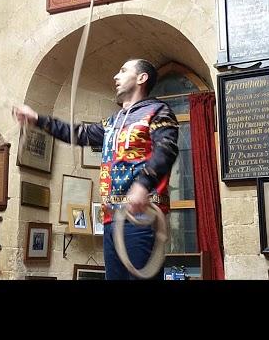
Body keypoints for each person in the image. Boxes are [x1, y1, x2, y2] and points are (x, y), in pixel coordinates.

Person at [13, 58, 179, 280]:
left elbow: (166, 150)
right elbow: (79, 134)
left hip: (142, 217)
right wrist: (37, 119)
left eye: (123, 71)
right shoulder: (112, 122)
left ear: (142, 78)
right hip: (111, 220)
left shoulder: (158, 111)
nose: (115, 77)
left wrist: (142, 185)